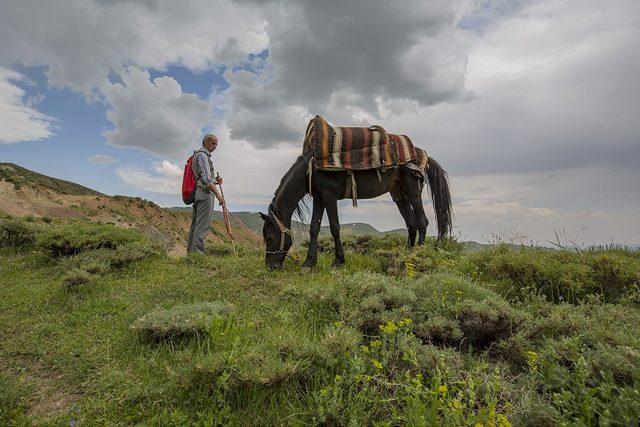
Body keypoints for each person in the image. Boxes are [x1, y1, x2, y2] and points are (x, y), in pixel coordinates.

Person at [187, 134, 226, 253]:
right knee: (203, 226)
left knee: (195, 226)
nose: (215, 147)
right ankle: (198, 255)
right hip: (205, 194)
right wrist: (218, 195)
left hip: (198, 193)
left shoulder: (197, 155)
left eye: (216, 144)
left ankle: (191, 254)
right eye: (213, 143)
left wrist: (216, 181)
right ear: (205, 142)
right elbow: (206, 180)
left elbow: (204, 178)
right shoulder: (203, 156)